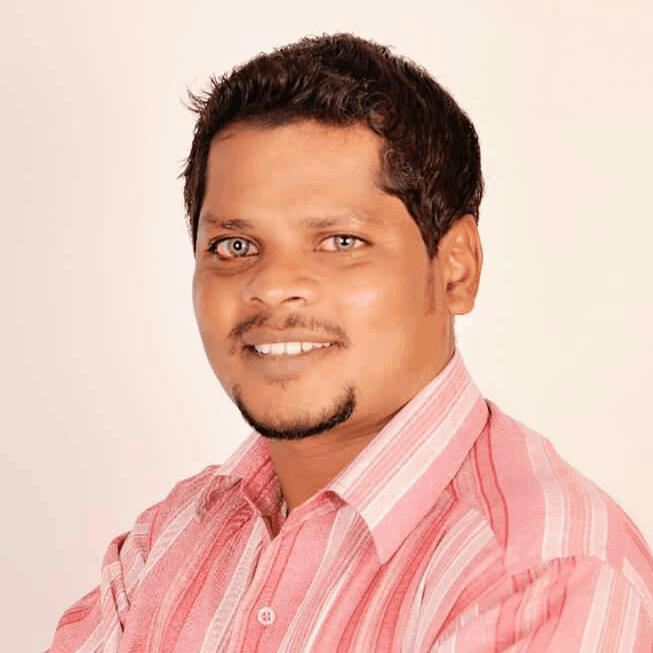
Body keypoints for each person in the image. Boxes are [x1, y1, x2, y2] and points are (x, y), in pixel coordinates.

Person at [47, 33, 653, 652]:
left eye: (340, 242)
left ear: (456, 268)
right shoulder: (168, 543)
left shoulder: (542, 578)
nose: (273, 286)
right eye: (235, 246)